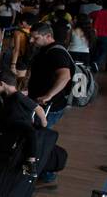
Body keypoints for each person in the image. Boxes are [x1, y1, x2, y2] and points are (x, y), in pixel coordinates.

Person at [24, 22, 75, 186]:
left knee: (41, 138)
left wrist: (49, 95)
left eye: (35, 37)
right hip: (41, 103)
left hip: (50, 106)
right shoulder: (46, 50)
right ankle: (44, 171)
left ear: (48, 36)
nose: (32, 41)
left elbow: (65, 76)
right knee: (39, 137)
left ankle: (48, 173)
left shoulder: (56, 53)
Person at [0, 70, 49, 178]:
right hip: (11, 124)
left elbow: (38, 109)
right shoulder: (5, 96)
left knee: (30, 132)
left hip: (21, 124)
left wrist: (44, 124)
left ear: (2, 84)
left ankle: (31, 162)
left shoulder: (18, 96)